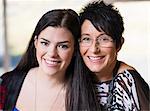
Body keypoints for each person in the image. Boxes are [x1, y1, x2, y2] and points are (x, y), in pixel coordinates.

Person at [0, 9, 99, 111]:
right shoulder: (6, 84)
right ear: (36, 42)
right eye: (45, 43)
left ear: (75, 50)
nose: (52, 53)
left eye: (63, 46)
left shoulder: (84, 98)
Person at [79, 0, 150, 111]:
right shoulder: (74, 75)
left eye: (104, 39)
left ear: (119, 44)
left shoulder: (127, 81)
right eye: (86, 39)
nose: (94, 49)